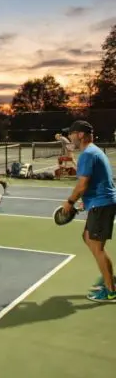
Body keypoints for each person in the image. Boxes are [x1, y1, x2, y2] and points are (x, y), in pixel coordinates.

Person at [61, 120, 116, 302]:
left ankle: (110, 290)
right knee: (87, 238)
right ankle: (108, 276)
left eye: (71, 133)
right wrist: (86, 201)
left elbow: (82, 184)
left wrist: (70, 202)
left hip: (102, 204)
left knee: (97, 248)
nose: (70, 137)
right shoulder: (94, 151)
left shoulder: (87, 154)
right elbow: (96, 181)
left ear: (81, 135)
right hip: (99, 202)